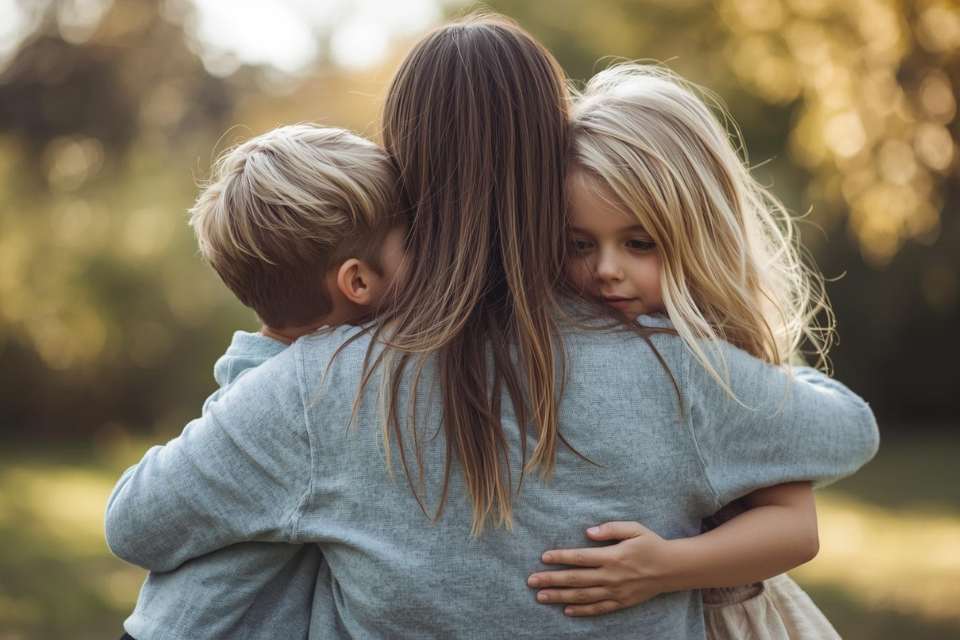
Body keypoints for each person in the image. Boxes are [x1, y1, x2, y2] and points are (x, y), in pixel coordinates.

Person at [105, 15, 878, 639]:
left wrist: (267, 366)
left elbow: (138, 526)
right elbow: (846, 432)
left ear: (401, 162)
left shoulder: (318, 383)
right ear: (555, 153)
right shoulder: (679, 371)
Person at [524, 64, 843, 638]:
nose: (606, 268)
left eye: (638, 243)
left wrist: (664, 567)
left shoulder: (711, 357)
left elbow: (795, 529)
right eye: (579, 244)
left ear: (698, 234)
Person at [114, 124, 406, 640]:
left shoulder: (290, 378)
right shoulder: (296, 408)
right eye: (415, 239)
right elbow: (130, 524)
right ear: (358, 281)